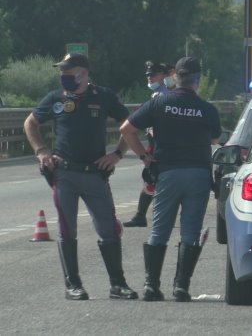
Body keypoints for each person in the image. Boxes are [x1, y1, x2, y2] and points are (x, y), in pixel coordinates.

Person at [23, 53, 138, 301]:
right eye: (61, 71)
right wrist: (41, 151)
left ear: (83, 73)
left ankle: (117, 285)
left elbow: (129, 123)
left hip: (95, 173)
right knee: (67, 230)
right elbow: (30, 122)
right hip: (64, 173)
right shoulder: (55, 98)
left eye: (68, 71)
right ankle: (73, 285)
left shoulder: (103, 95)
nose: (63, 76)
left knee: (108, 228)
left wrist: (117, 153)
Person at [120, 56, 221, 302]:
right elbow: (216, 140)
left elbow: (126, 130)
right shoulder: (207, 109)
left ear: (175, 77)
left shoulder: (160, 103)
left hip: (167, 173)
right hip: (197, 174)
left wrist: (144, 156)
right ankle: (181, 287)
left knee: (159, 230)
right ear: (197, 80)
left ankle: (151, 286)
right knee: (190, 231)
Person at [123, 61, 171, 228]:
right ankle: (141, 216)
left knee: (158, 179)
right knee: (151, 178)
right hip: (154, 143)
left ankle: (148, 216)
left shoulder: (164, 95)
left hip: (161, 144)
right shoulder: (157, 95)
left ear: (164, 76)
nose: (149, 78)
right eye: (148, 75)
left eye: (153, 75)